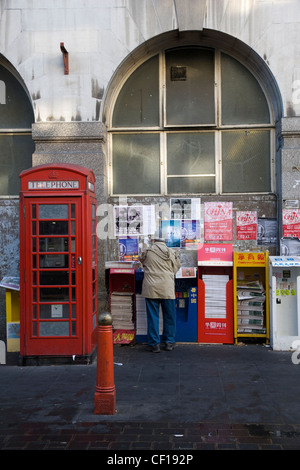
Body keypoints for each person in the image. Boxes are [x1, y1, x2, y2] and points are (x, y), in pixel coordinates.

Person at [139, 238, 181, 353]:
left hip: (151, 287)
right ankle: (169, 342)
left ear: (154, 241)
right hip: (167, 287)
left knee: (153, 316)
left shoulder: (147, 251)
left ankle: (154, 344)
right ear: (165, 241)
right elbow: (176, 268)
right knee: (169, 316)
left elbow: (142, 262)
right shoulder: (171, 252)